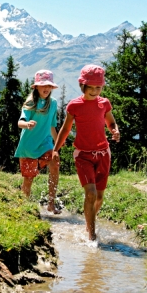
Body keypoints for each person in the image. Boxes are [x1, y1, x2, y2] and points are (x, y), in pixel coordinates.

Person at [52, 65, 120, 241]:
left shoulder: (104, 104)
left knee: (99, 197)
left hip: (103, 153)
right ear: (83, 86)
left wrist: (114, 131)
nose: (96, 91)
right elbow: (66, 129)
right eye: (92, 87)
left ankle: (89, 221)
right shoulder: (74, 106)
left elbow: (111, 122)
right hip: (82, 155)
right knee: (90, 193)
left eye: (99, 87)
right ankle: (91, 235)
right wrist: (55, 149)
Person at [14, 70, 61, 214]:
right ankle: (24, 208)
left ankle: (51, 203)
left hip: (45, 142)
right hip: (29, 146)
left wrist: (58, 141)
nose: (46, 88)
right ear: (36, 87)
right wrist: (27, 125)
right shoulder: (31, 102)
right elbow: (19, 122)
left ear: (52, 88)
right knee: (28, 180)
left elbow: (52, 126)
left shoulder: (53, 103)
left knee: (55, 161)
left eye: (48, 86)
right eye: (43, 85)